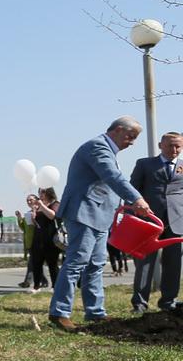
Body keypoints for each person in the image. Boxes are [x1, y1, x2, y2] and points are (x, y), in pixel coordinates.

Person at [48, 117, 151, 331]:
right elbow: (112, 177)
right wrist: (136, 199)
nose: (131, 142)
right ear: (118, 130)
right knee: (77, 262)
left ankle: (95, 312)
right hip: (84, 213)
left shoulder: (108, 151)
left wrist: (124, 207)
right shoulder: (97, 147)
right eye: (130, 137)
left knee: (95, 265)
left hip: (100, 216)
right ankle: (59, 312)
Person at [129, 131, 183, 313]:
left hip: (176, 222)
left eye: (178, 146)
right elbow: (132, 190)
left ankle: (168, 301)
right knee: (145, 262)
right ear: (161, 145)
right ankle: (140, 303)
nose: (174, 149)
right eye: (170, 145)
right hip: (149, 221)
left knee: (174, 263)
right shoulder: (145, 164)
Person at [30, 188, 61, 292]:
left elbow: (53, 216)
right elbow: (36, 223)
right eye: (39, 192)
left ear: (49, 192)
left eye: (43, 192)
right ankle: (36, 286)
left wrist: (42, 206)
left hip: (51, 239)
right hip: (38, 238)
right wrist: (33, 214)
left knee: (52, 264)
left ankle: (55, 286)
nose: (41, 195)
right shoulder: (38, 205)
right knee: (36, 263)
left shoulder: (55, 203)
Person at [14, 194, 37, 288]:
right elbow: (24, 228)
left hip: (38, 241)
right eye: (27, 200)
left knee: (33, 263)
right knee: (34, 263)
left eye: (31, 200)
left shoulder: (40, 212)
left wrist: (35, 214)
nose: (29, 202)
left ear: (36, 200)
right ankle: (40, 281)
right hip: (30, 241)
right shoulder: (28, 213)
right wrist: (19, 218)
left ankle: (28, 282)